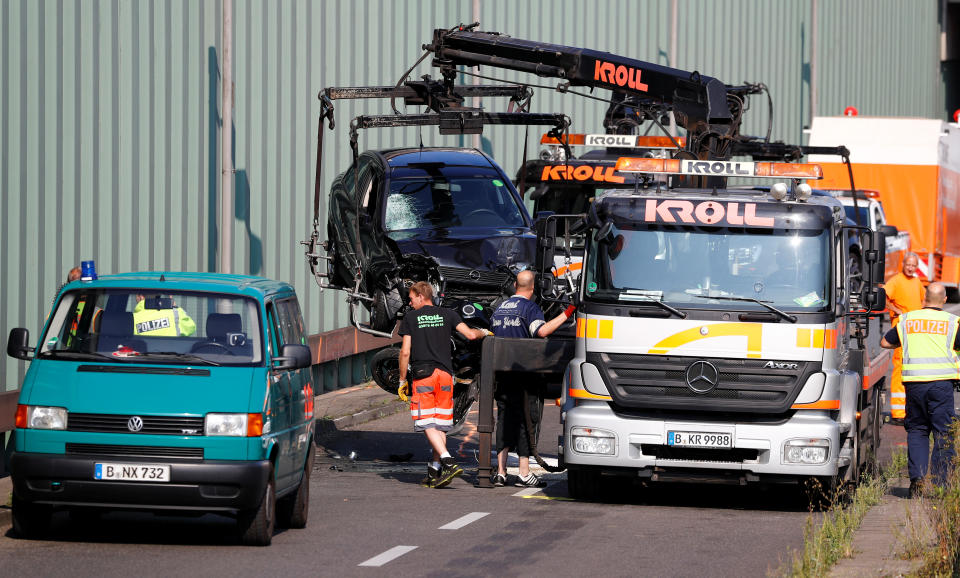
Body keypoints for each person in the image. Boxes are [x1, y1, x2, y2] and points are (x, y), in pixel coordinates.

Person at [490, 270, 576, 488]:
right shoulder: (530, 308)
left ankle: (500, 472)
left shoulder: (500, 308)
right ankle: (524, 473)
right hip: (525, 374)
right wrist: (568, 312)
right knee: (528, 422)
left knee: (504, 421)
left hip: (501, 374)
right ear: (533, 287)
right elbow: (541, 331)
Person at [398, 281, 487, 489]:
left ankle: (448, 461)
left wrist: (402, 380)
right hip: (446, 376)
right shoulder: (448, 314)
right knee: (439, 425)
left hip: (424, 376)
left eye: (411, 299)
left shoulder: (411, 318)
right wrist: (484, 332)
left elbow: (404, 352)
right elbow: (471, 335)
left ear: (421, 296)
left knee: (426, 422)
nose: (410, 304)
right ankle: (435, 470)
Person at [880, 282, 960, 497]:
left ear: (924, 299)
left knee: (917, 431)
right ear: (944, 300)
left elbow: (885, 343)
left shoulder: (908, 319)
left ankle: (917, 480)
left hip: (914, 385)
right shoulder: (952, 322)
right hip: (941, 385)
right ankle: (942, 484)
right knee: (944, 432)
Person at [884, 253, 925, 425]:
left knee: (915, 370)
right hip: (901, 330)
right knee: (900, 369)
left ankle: (911, 409)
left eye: (913, 265)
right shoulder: (896, 281)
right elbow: (883, 298)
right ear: (903, 264)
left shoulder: (917, 282)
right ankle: (898, 413)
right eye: (908, 264)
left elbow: (923, 300)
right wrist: (896, 310)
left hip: (915, 331)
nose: (910, 268)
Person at [132, 294, 197, 336]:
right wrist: (175, 308)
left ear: (141, 296)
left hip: (142, 357)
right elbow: (191, 328)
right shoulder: (175, 314)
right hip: (174, 356)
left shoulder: (132, 319)